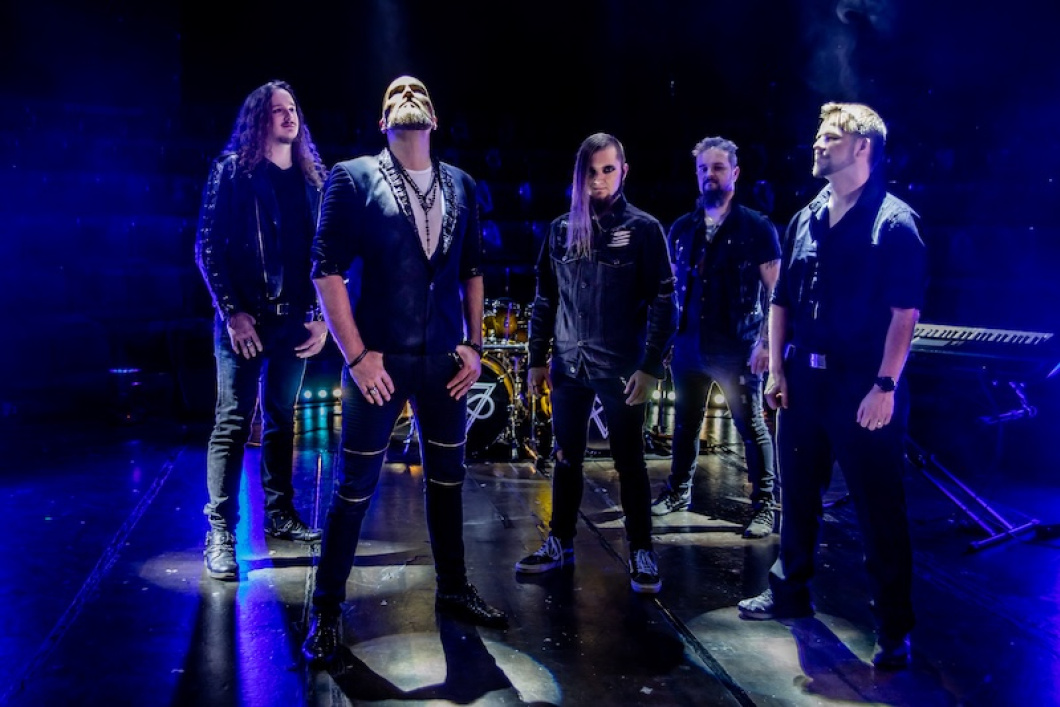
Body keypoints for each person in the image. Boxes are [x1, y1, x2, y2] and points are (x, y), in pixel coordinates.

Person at [303, 75, 507, 666]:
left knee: (448, 480)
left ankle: (453, 588)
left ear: (435, 119)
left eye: (418, 91)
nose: (408, 93)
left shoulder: (461, 184)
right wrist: (356, 356)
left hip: (444, 362)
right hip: (380, 364)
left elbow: (472, 271)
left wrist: (474, 345)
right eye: (395, 93)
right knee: (354, 489)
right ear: (383, 121)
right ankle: (326, 608)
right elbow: (325, 271)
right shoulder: (353, 177)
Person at [737, 103, 927, 670]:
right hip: (804, 381)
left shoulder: (894, 222)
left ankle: (893, 626)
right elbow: (781, 301)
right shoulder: (806, 217)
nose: (817, 145)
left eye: (830, 138)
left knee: (878, 508)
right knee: (797, 496)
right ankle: (790, 591)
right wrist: (777, 371)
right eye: (818, 137)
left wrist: (885, 385)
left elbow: (904, 314)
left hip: (862, 384)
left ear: (863, 146)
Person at [514, 133, 678, 594]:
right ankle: (559, 542)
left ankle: (641, 550)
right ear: (579, 175)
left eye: (608, 170)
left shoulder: (644, 229)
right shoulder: (560, 229)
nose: (599, 179)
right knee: (566, 457)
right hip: (569, 365)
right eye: (591, 171)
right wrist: (536, 359)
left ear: (624, 171)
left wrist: (650, 367)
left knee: (630, 460)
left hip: (622, 366)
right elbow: (545, 298)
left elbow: (665, 302)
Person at [194, 80, 328, 581]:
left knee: (281, 417)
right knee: (233, 421)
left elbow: (327, 256)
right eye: (277, 110)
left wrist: (321, 317)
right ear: (259, 119)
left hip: (294, 320)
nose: (289, 116)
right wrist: (232, 312)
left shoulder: (314, 181)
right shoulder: (232, 171)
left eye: (293, 108)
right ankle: (220, 530)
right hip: (245, 320)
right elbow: (208, 248)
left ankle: (279, 513)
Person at [650, 137, 781, 539]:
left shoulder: (756, 227)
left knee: (751, 426)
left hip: (737, 347)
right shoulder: (682, 228)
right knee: (685, 424)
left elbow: (776, 292)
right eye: (703, 168)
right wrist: (668, 341)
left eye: (718, 167)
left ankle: (764, 505)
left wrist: (765, 344)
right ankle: (678, 491)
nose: (710, 175)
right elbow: (671, 289)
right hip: (690, 344)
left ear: (735, 173)